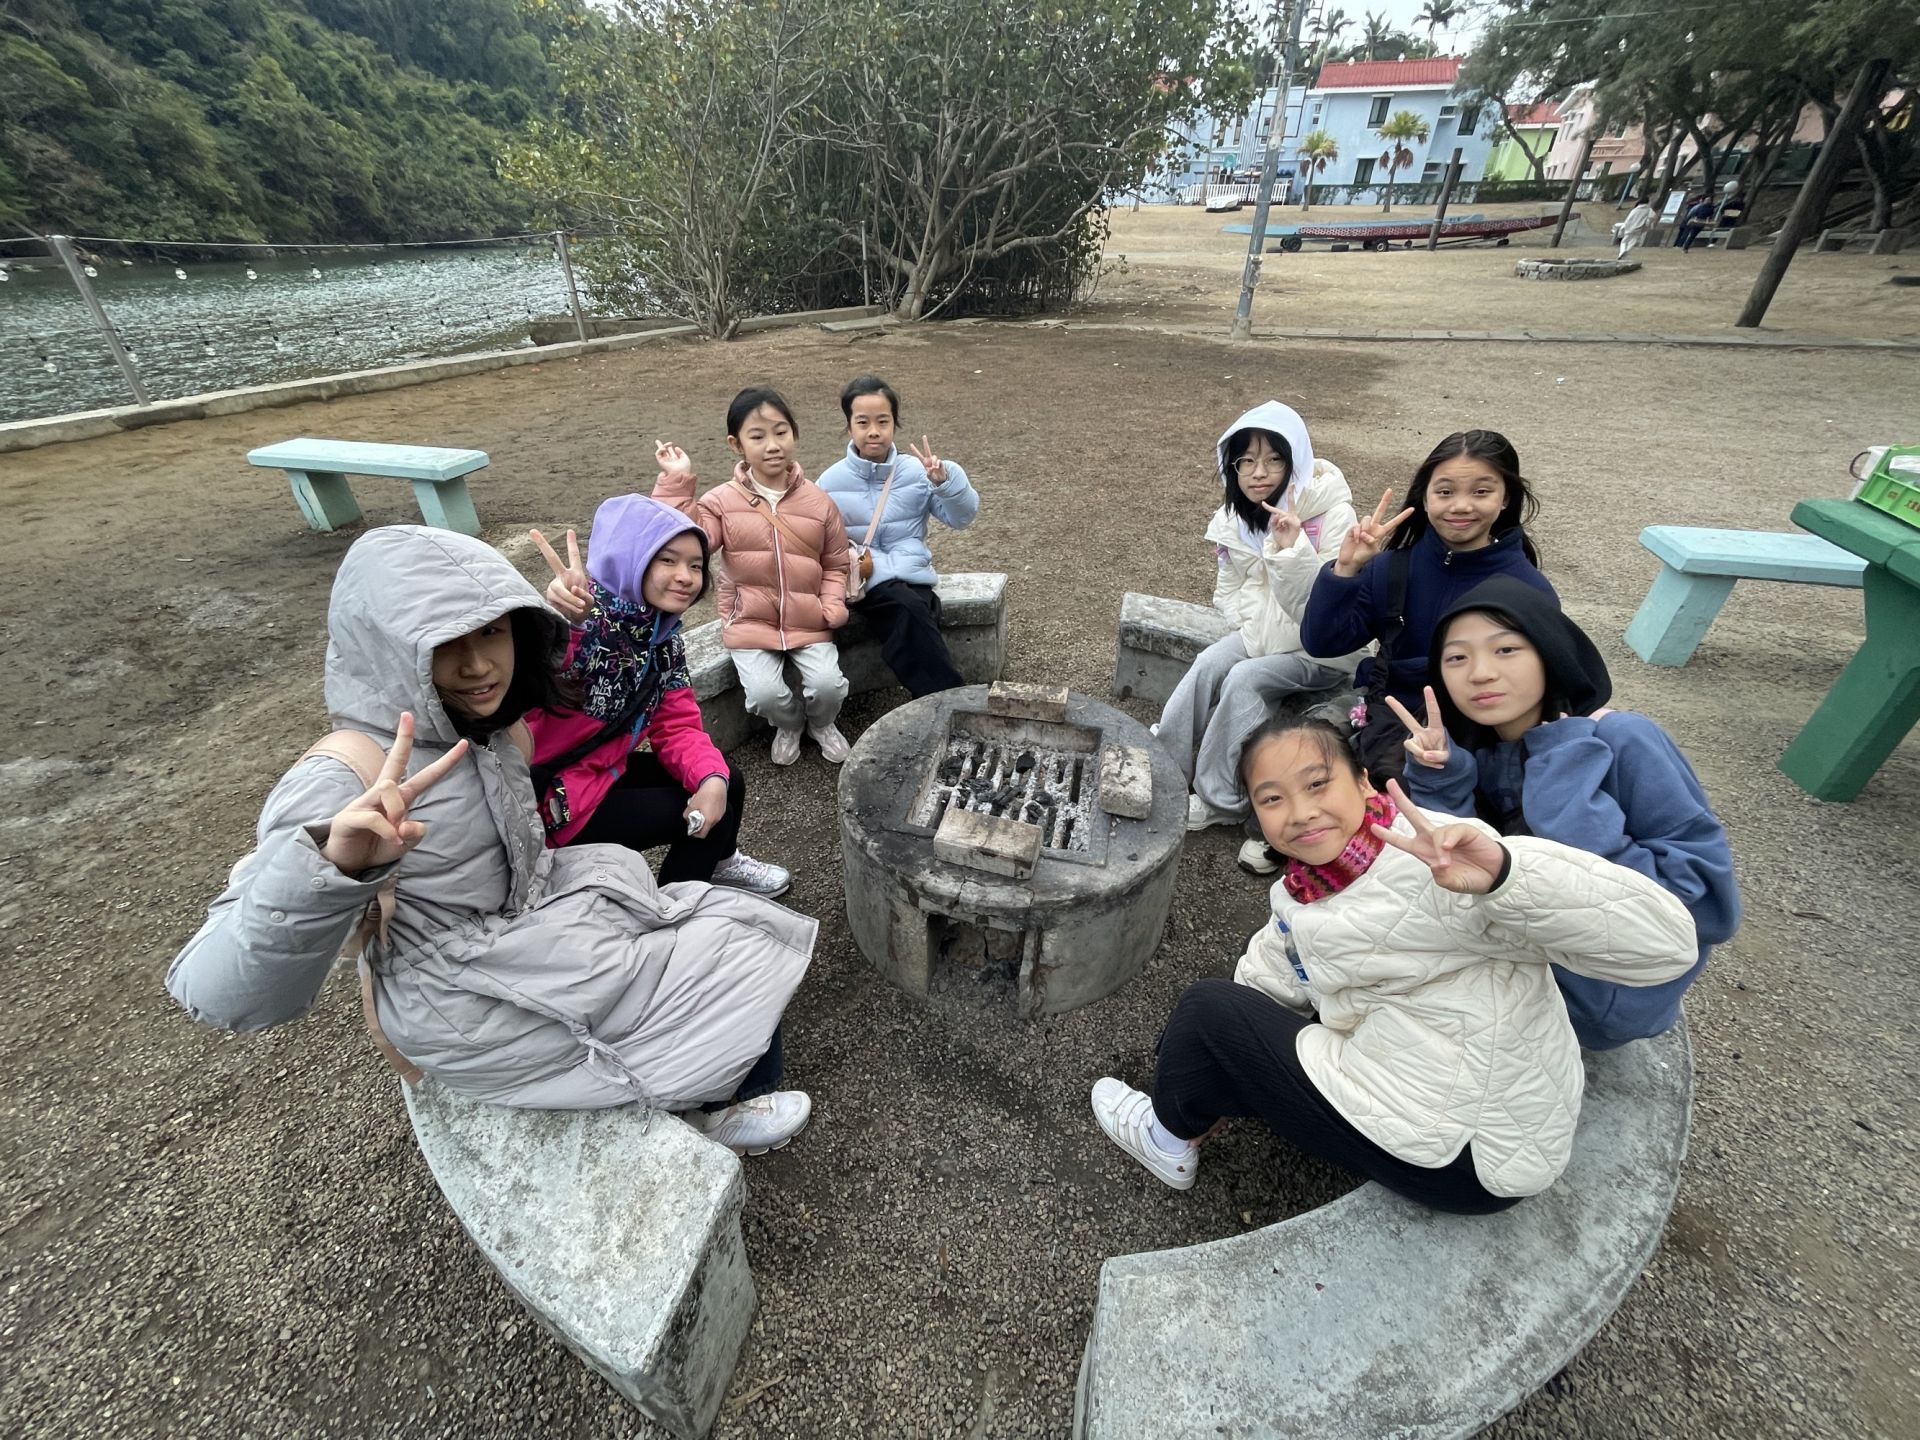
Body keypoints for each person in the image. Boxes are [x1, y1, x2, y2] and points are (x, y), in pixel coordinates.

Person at [166, 526, 816, 1155]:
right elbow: (222, 993)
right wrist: (332, 870)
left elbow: (653, 719)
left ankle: (704, 1078)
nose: (478, 664)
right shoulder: (346, 778)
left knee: (716, 912)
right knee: (728, 950)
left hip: (515, 931)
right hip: (463, 995)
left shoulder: (489, 727)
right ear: (388, 648)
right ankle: (715, 1108)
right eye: (445, 643)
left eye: (492, 632)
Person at [1089, 713, 1697, 1211]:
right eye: (1272, 799)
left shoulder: (1443, 859)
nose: (1299, 812)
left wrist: (1507, 876)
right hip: (1438, 1103)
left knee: (1205, 1011)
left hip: (1468, 1152)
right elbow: (1278, 965)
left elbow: (1667, 947)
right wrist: (1202, 1058)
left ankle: (1165, 1138)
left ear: (1364, 783)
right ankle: (1189, 1091)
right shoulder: (1305, 888)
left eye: (1317, 784)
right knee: (1210, 1024)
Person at [1390, 577, 1740, 1048]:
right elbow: (1464, 876)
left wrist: (1565, 782)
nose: (1480, 673)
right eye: (1457, 658)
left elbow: (1709, 910)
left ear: (1549, 651)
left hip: (1604, 991)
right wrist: (1442, 778)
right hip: (1519, 959)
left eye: (1506, 649)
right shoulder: (1481, 755)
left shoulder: (1622, 740)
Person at [523, 496, 790, 897]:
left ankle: (719, 864)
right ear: (629, 559)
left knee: (726, 781)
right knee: (709, 820)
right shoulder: (580, 624)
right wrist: (563, 623)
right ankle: (672, 914)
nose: (686, 576)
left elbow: (678, 726)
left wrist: (710, 779)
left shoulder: (660, 638)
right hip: (546, 799)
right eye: (667, 560)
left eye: (695, 565)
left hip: (597, 770)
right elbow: (537, 673)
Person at [1298, 429, 1554, 799]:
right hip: (1384, 715)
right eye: (1445, 492)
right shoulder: (1392, 568)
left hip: (1473, 735)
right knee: (1296, 755)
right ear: (1425, 497)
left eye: (1481, 492)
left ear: (1505, 499)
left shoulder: (1528, 590)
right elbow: (1323, 642)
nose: (1461, 506)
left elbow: (1537, 696)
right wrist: (1345, 571)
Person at [1155, 401, 1363, 835]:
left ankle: (1220, 799)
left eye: (1273, 460)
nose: (1258, 473)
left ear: (1295, 461)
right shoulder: (1234, 517)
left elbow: (1321, 611)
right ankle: (1165, 761)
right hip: (1263, 635)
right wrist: (1249, 622)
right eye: (1245, 461)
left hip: (1322, 650)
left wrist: (1291, 549)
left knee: (1245, 678)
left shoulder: (1332, 515)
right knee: (1208, 663)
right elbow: (1227, 587)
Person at [654, 388, 854, 766]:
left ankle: (822, 724)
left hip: (809, 618)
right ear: (737, 445)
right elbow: (688, 541)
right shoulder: (720, 502)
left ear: (794, 434)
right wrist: (676, 483)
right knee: (764, 695)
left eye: (781, 432)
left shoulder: (819, 502)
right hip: (748, 619)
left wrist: (830, 603)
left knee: (828, 686)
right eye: (757, 436)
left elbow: (835, 563)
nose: (772, 445)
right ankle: (789, 726)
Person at [817, 374, 980, 698]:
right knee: (908, 609)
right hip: (865, 581)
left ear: (895, 424)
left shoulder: (917, 471)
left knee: (919, 608)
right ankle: (950, 698)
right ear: (849, 427)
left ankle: (934, 699)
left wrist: (945, 483)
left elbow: (961, 518)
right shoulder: (829, 482)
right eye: (862, 422)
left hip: (913, 575)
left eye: (883, 421)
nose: (873, 431)